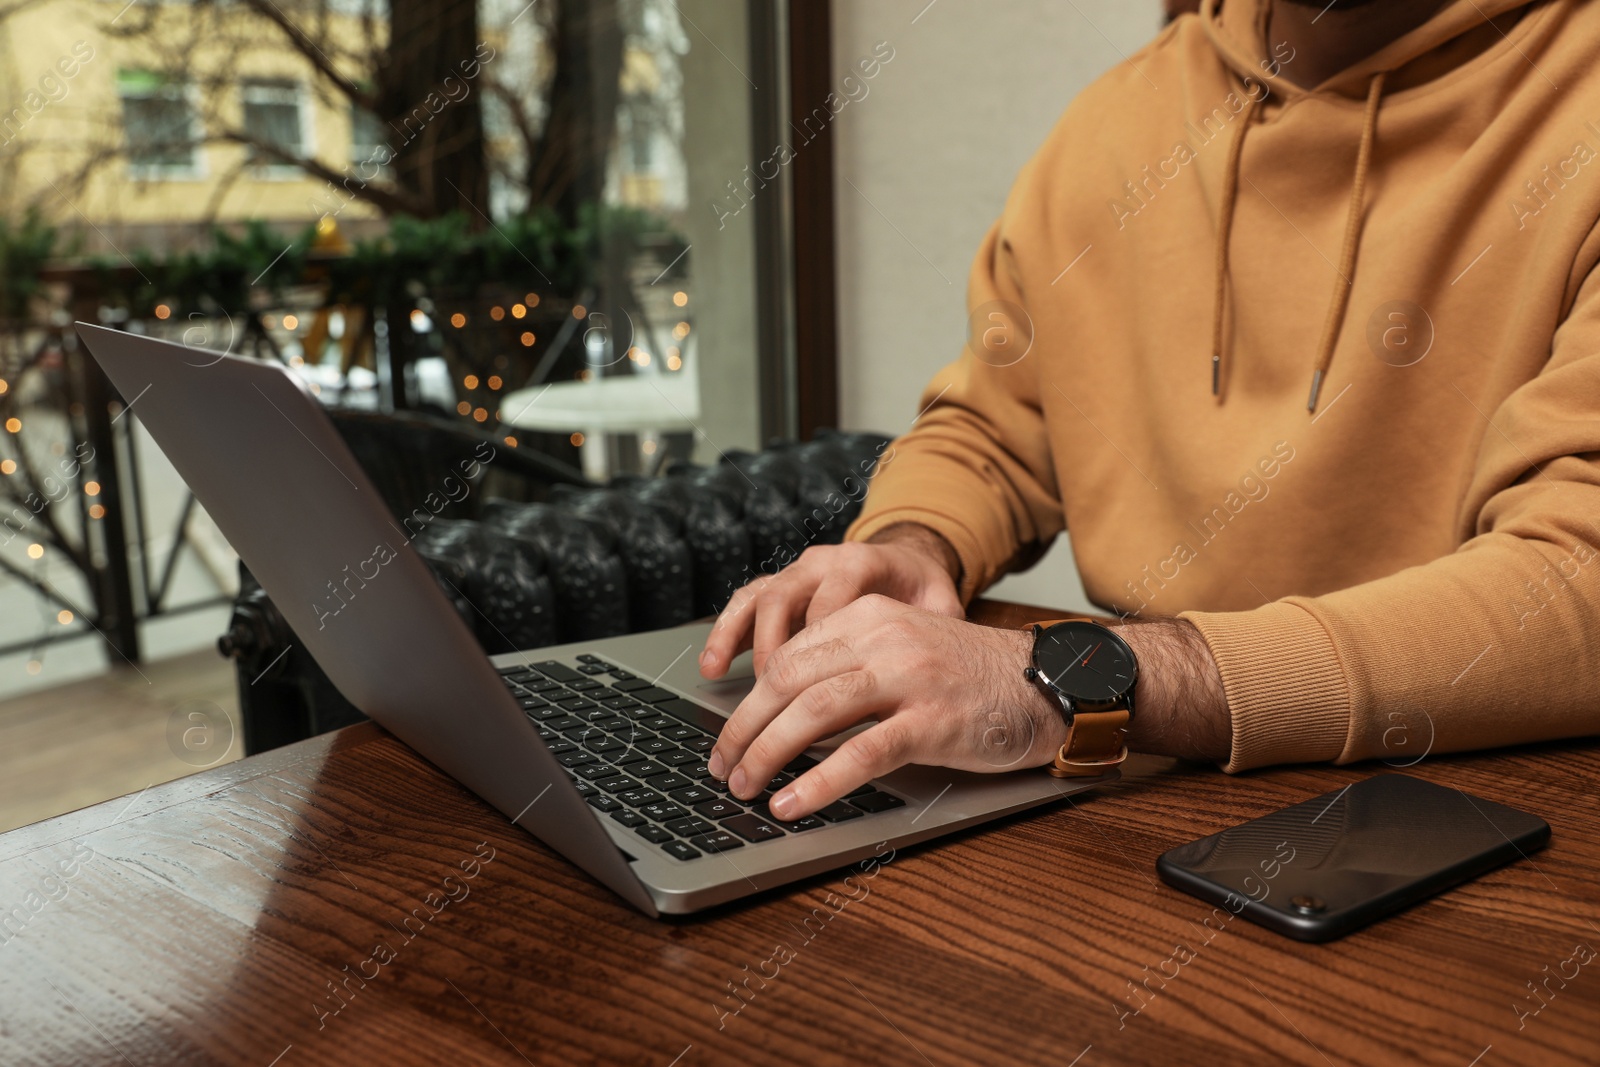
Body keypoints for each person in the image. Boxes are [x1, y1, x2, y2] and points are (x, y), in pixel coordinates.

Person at [698, 0, 1600, 823]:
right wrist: (913, 542)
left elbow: (1579, 582)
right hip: (1131, 790)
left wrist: (1088, 680)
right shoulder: (1119, 120)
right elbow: (995, 423)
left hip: (1456, 812)